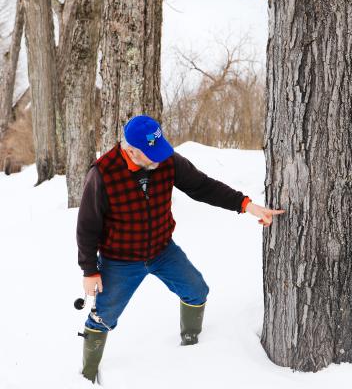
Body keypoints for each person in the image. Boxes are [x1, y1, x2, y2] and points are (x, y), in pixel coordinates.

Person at [76, 114, 285, 383]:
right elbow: (87, 226)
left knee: (197, 290)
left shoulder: (168, 160)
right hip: (121, 260)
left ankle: (191, 345)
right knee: (102, 317)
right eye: (152, 154)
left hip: (163, 250)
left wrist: (246, 205)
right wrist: (89, 270)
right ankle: (87, 375)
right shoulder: (102, 173)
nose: (160, 158)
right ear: (130, 150)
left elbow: (202, 186)